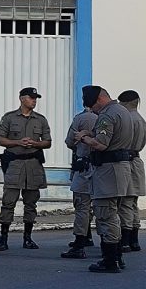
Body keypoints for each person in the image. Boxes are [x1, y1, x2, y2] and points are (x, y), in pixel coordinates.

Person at [75, 85, 134, 273]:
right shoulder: (122, 111)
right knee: (113, 213)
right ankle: (117, 257)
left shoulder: (108, 114)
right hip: (120, 168)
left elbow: (101, 144)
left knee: (106, 214)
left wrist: (82, 138)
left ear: (100, 99)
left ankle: (110, 260)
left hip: (108, 171)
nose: (92, 110)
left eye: (93, 106)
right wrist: (91, 133)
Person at [0, 87, 52, 251]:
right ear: (22, 99)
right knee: (8, 201)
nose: (34, 101)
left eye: (35, 98)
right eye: (31, 98)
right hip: (15, 164)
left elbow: (47, 142)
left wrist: (35, 143)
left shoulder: (40, 120)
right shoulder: (10, 118)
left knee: (31, 202)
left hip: (33, 164)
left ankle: (28, 238)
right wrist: (18, 142)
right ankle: (3, 238)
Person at [61, 107, 97, 259]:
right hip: (104, 169)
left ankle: (80, 242)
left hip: (84, 167)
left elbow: (70, 141)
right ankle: (113, 244)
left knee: (82, 205)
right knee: (105, 206)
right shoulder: (108, 116)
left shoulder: (81, 118)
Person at [118, 90, 144, 252]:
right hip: (137, 160)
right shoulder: (141, 119)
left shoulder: (128, 119)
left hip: (127, 161)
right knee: (133, 203)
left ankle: (126, 240)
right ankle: (134, 239)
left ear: (126, 103)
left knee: (126, 203)